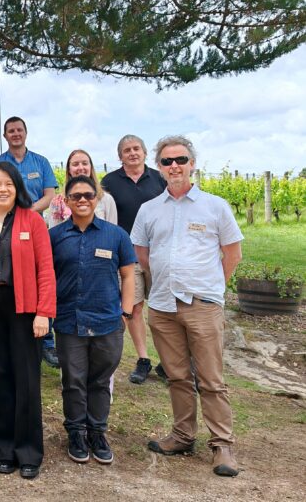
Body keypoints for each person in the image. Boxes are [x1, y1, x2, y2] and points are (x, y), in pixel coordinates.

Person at [131, 135, 243, 477]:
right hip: (163, 306)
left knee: (211, 378)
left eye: (180, 160)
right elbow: (142, 255)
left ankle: (222, 445)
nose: (174, 166)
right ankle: (182, 435)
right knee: (177, 376)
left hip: (203, 305)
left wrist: (210, 287)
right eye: (166, 161)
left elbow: (232, 253)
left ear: (192, 163)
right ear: (159, 167)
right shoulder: (149, 210)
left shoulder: (215, 206)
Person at [0, 161, 55, 480]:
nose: (2, 189)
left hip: (25, 310)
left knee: (27, 381)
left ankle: (29, 452)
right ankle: (5, 450)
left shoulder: (34, 221)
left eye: (8, 183)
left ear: (17, 187)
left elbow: (46, 269)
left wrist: (44, 311)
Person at [49, 175, 136, 466]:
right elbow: (46, 277)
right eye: (76, 196)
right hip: (69, 321)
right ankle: (75, 431)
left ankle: (97, 432)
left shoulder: (116, 235)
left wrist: (125, 312)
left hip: (107, 322)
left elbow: (127, 275)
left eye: (88, 194)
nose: (83, 200)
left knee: (99, 381)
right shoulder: (56, 236)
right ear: (67, 200)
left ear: (97, 198)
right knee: (73, 381)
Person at [0, 116, 59, 368]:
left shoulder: (40, 162)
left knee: (40, 278)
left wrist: (26, 212)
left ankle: (47, 342)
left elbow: (50, 195)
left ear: (26, 133)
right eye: (11, 131)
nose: (15, 134)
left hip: (34, 227)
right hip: (4, 231)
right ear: (5, 136)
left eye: (19, 130)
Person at [101, 135, 167, 384]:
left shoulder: (159, 178)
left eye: (136, 148)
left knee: (163, 309)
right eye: (126, 150)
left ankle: (168, 362)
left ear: (144, 152)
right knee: (135, 307)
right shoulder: (109, 182)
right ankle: (143, 359)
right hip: (127, 255)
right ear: (120, 156)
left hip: (159, 254)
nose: (132, 153)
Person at [47, 149, 117, 228]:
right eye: (75, 164)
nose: (80, 167)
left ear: (91, 167)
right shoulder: (57, 202)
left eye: (85, 163)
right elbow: (54, 235)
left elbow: (113, 233)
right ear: (69, 169)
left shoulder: (106, 199)